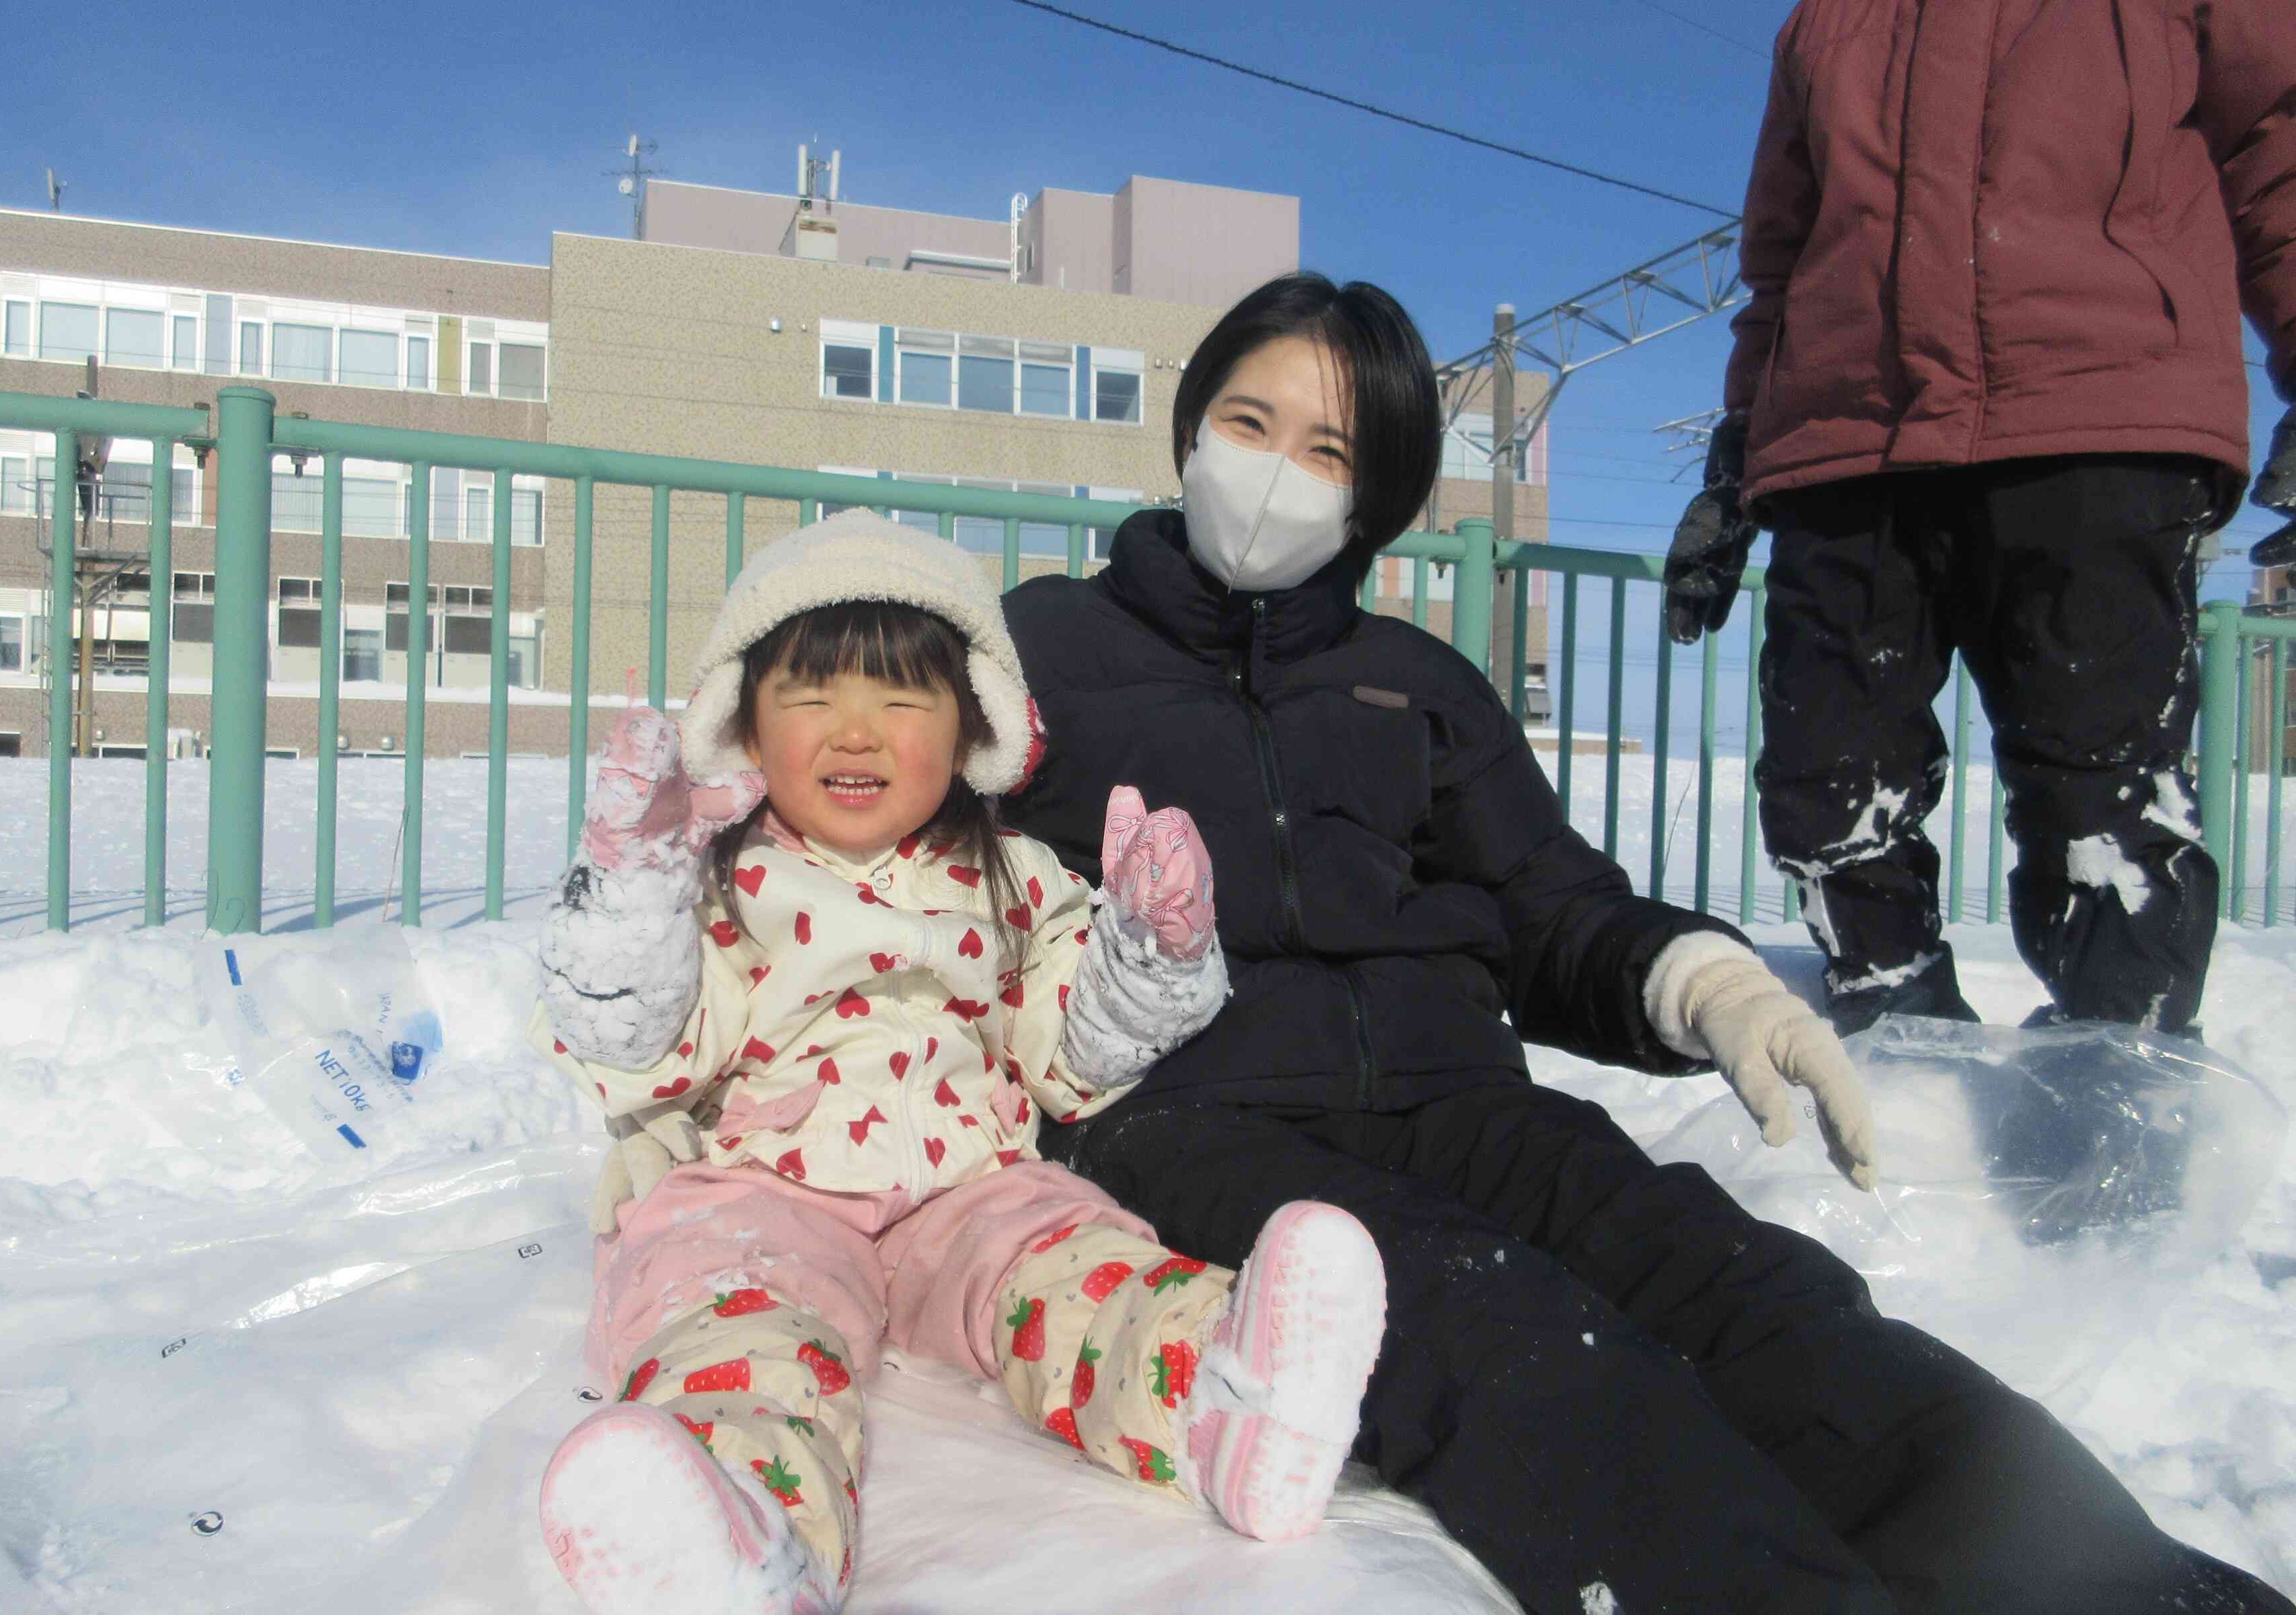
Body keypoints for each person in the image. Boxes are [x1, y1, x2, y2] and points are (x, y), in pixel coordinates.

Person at [998, 271, 2291, 1614]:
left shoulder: (1418, 682)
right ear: (1193, 427)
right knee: (1520, 1346)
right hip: (1196, 1121)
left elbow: (1548, 904)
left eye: (1327, 450)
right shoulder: (1038, 647)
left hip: (1462, 1103)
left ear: (1374, 496)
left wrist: (1706, 982)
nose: (1274, 473)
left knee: (1757, 1300)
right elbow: (892, 846)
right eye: (1249, 422)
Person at [525, 513, 1390, 1615]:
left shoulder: (1012, 877)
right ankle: (743, 1533)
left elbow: (1070, 1056)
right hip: (765, 1191)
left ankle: (1220, 1395)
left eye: (900, 701)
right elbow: (645, 1045)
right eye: (810, 697)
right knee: (740, 1326)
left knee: (1072, 1272)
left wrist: (1148, 952)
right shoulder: (720, 882)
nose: (855, 733)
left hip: (969, 1190)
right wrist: (633, 893)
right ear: (742, 722)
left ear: (972, 723)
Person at [1661, 0, 2296, 1037]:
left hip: (2097, 413)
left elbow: (2279, 150)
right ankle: (1893, 1049)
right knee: (1827, 788)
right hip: (1848, 439)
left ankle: (2115, 1082)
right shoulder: (1825, 20)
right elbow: (1781, 257)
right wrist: (1739, 450)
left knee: (2101, 805)